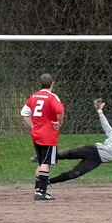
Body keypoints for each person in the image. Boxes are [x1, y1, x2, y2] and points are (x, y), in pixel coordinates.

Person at [48, 99, 112, 186]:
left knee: (75, 174)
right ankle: (43, 157)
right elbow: (106, 125)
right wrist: (100, 111)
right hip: (92, 150)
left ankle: (49, 181)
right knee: (67, 154)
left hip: (95, 161)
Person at [20, 73, 65, 201]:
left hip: (36, 134)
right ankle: (42, 192)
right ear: (52, 83)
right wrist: (59, 123)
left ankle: (38, 190)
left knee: (41, 163)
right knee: (46, 163)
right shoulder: (52, 97)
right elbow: (60, 111)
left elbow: (24, 113)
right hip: (48, 135)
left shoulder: (33, 96)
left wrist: (33, 126)